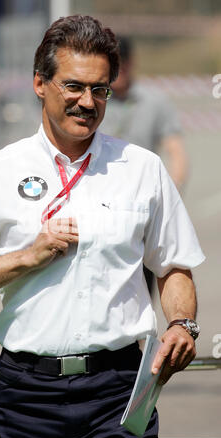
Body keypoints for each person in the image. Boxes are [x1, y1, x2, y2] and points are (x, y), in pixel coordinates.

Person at [0, 15, 204, 438]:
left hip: (120, 389)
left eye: (99, 89)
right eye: (73, 86)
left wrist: (182, 324)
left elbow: (174, 266)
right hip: (26, 395)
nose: (88, 102)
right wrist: (26, 258)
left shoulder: (143, 169)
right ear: (40, 83)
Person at [101, 36, 189, 295]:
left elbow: (177, 151)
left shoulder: (154, 101)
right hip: (101, 205)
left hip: (141, 209)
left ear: (131, 64)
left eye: (122, 68)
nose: (118, 75)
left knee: (140, 293)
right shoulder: (93, 99)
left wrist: (170, 198)